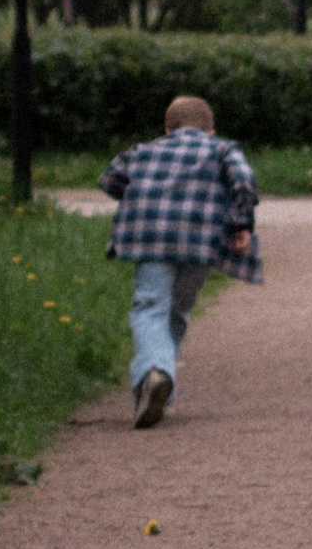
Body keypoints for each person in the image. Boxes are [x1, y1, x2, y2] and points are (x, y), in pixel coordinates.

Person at [100, 94, 261, 428]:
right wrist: (240, 223)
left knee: (150, 307)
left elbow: (111, 179)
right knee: (176, 311)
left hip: (150, 239)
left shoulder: (144, 150)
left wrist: (142, 193)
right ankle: (160, 387)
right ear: (211, 130)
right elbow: (243, 181)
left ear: (167, 128)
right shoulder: (222, 150)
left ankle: (154, 375)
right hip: (199, 244)